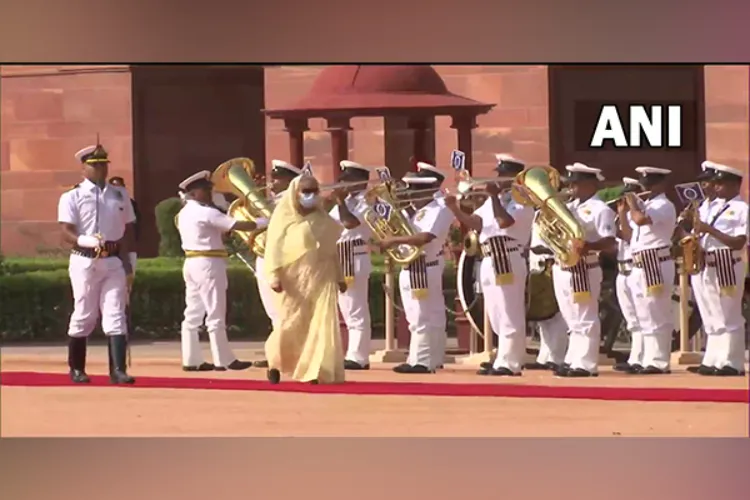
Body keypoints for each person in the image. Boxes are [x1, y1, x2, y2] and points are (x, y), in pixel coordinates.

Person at [446, 155, 535, 376]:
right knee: (495, 312)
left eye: (503, 175)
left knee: (509, 311)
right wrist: (455, 209)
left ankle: (511, 362)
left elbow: (505, 222)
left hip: (508, 256)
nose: (498, 179)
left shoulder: (522, 200)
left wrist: (494, 198)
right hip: (489, 257)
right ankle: (501, 357)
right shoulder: (493, 200)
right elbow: (477, 223)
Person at [57, 142, 137, 384]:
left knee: (115, 314)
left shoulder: (119, 194)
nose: (101, 169)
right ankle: (77, 369)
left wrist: (130, 260)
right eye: (95, 165)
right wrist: (84, 239)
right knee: (85, 314)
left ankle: (118, 370)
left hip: (113, 260)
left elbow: (129, 228)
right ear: (84, 169)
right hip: (85, 261)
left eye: (104, 164)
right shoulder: (72, 195)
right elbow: (65, 231)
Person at [263, 174, 347, 384]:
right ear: (295, 193)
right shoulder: (283, 218)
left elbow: (331, 251)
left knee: (321, 324)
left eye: (313, 191)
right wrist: (273, 276)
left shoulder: (324, 220)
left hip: (322, 277)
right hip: (293, 281)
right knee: (290, 324)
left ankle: (315, 370)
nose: (310, 196)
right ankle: (275, 362)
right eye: (305, 191)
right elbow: (273, 248)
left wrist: (340, 277)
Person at [378, 162, 455, 374]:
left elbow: (424, 237)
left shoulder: (437, 210)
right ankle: (428, 358)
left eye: (414, 189)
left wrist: (393, 240)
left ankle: (421, 362)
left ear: (426, 189)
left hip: (423, 267)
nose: (409, 193)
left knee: (422, 317)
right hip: (413, 266)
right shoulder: (419, 211)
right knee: (422, 316)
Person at [176, 171, 256, 372]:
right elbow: (240, 225)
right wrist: (267, 222)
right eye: (205, 190)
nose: (210, 193)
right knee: (216, 312)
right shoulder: (206, 212)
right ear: (193, 193)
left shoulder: (185, 212)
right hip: (209, 263)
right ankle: (224, 360)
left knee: (193, 313)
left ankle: (191, 360)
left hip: (192, 262)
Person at [553, 163, 616, 377]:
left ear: (590, 184)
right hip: (563, 266)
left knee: (585, 316)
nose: (571, 187)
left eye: (575, 183)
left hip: (584, 267)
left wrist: (589, 246)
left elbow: (609, 242)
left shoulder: (601, 209)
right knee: (571, 317)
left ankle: (586, 364)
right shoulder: (569, 207)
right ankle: (573, 359)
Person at [687, 163, 748, 376]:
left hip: (727, 263)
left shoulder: (742, 209)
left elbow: (739, 242)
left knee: (729, 315)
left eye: (720, 183)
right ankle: (713, 359)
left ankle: (733, 362)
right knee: (711, 314)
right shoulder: (709, 205)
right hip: (707, 262)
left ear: (733, 185)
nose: (715, 187)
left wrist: (709, 229)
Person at [617, 167, 677, 375]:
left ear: (661, 184)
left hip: (656, 263)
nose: (646, 188)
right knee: (644, 315)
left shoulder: (663, 205)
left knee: (657, 313)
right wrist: (623, 212)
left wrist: (633, 203)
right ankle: (646, 358)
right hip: (639, 264)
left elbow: (641, 220)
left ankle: (659, 361)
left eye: (650, 184)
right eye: (644, 184)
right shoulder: (646, 205)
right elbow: (627, 234)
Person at [252, 160, 303, 369]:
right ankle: (277, 353)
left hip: (282, 259)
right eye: (272, 178)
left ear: (290, 181)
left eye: (277, 179)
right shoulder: (272, 200)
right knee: (273, 311)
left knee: (285, 309)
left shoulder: (292, 202)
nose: (272, 183)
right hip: (265, 258)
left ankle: (291, 353)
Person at [328, 160, 375, 370]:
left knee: (356, 310)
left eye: (347, 180)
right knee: (346, 310)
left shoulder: (370, 201)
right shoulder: (346, 201)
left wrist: (339, 202)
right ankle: (352, 353)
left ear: (361, 182)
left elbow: (351, 223)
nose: (342, 184)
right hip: (339, 257)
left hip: (354, 256)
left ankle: (359, 356)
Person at [612, 177, 646, 373]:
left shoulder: (636, 215)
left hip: (635, 267)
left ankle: (641, 358)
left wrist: (623, 214)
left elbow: (627, 236)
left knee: (642, 317)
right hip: (621, 269)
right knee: (632, 319)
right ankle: (635, 355)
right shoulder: (623, 215)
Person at [108, 177, 139, 276]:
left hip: (127, 245)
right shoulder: (105, 205)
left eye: (119, 186)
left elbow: (132, 225)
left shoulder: (131, 204)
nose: (117, 189)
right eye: (114, 186)